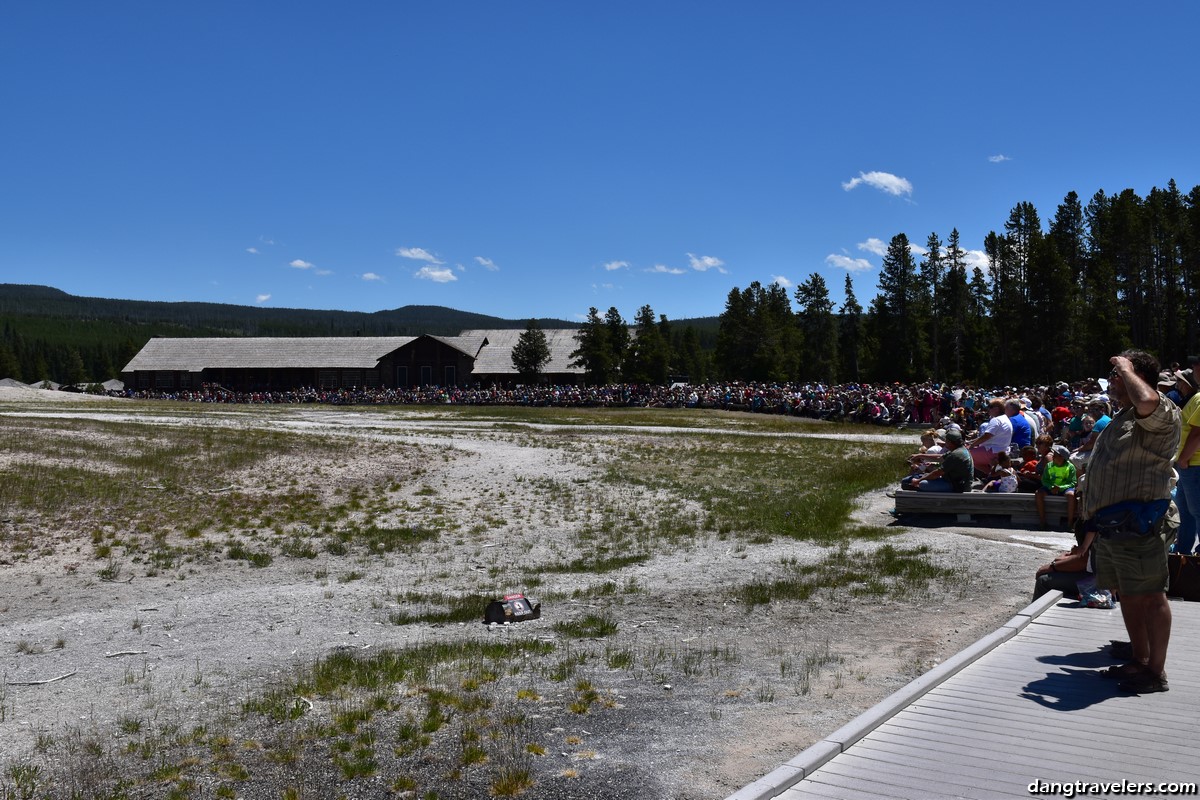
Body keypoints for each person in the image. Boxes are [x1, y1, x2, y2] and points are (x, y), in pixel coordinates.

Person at [1084, 351, 1181, 694]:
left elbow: (1149, 401)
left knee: (1151, 595)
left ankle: (1155, 672)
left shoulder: (1162, 410)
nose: (1112, 380)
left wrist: (1126, 368)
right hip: (1115, 525)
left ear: (1135, 376)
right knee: (1127, 593)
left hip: (1139, 524)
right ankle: (1140, 660)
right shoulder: (1124, 415)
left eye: (1117, 375)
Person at [1173, 369, 1200, 556]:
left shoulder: (1198, 399)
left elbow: (1198, 433)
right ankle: (1182, 551)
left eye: (1180, 381)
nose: (1177, 385)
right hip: (1188, 465)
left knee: (1197, 511)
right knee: (1185, 512)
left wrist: (1184, 459)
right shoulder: (1192, 400)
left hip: (1193, 464)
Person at [1032, 526, 1097, 602]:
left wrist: (1053, 566)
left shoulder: (1094, 524)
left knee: (1043, 580)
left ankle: (1033, 613)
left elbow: (1084, 561)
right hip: (1096, 574)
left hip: (1097, 578)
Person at [967, 399, 1013, 478]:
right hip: (1002, 451)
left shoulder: (996, 420)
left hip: (993, 451)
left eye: (990, 407)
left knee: (965, 455)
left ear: (996, 409)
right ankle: (992, 475)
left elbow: (987, 435)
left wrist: (972, 445)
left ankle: (991, 475)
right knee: (972, 456)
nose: (988, 409)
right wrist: (971, 442)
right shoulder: (1006, 419)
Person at [1036, 444, 1077, 530]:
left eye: (1055, 455)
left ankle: (1070, 523)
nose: (1053, 456)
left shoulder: (1070, 467)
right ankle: (1042, 522)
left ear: (1062, 457)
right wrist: (1051, 487)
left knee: (1071, 495)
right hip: (1051, 487)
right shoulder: (1049, 465)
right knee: (1038, 493)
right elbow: (1044, 480)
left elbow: (1073, 482)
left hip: (1064, 488)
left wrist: (1060, 488)